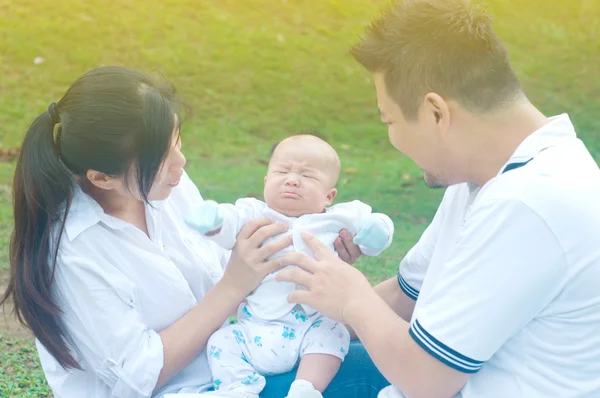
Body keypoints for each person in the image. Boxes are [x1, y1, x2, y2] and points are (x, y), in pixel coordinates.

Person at [0, 66, 389, 398]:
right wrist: (234, 285)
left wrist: (312, 259)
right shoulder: (73, 252)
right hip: (192, 388)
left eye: (177, 142)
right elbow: (140, 375)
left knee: (392, 344)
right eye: (163, 158)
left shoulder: (166, 186)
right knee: (385, 369)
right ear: (102, 177)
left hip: (242, 361)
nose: (182, 164)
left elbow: (232, 265)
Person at [276, 1, 600, 397]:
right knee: (266, 374)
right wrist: (294, 321)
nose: (391, 139)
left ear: (435, 112)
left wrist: (353, 299)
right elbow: (405, 296)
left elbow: (429, 380)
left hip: (432, 382)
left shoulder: (531, 203)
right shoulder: (489, 175)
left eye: (389, 121)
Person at [184, 134, 394, 398]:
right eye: (282, 171)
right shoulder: (252, 212)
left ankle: (306, 388)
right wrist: (214, 220)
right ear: (266, 181)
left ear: (329, 195)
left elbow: (373, 224)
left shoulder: (336, 219)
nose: (292, 179)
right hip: (256, 327)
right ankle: (237, 389)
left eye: (308, 176)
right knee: (221, 341)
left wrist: (377, 231)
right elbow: (228, 223)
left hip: (311, 324)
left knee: (334, 333)